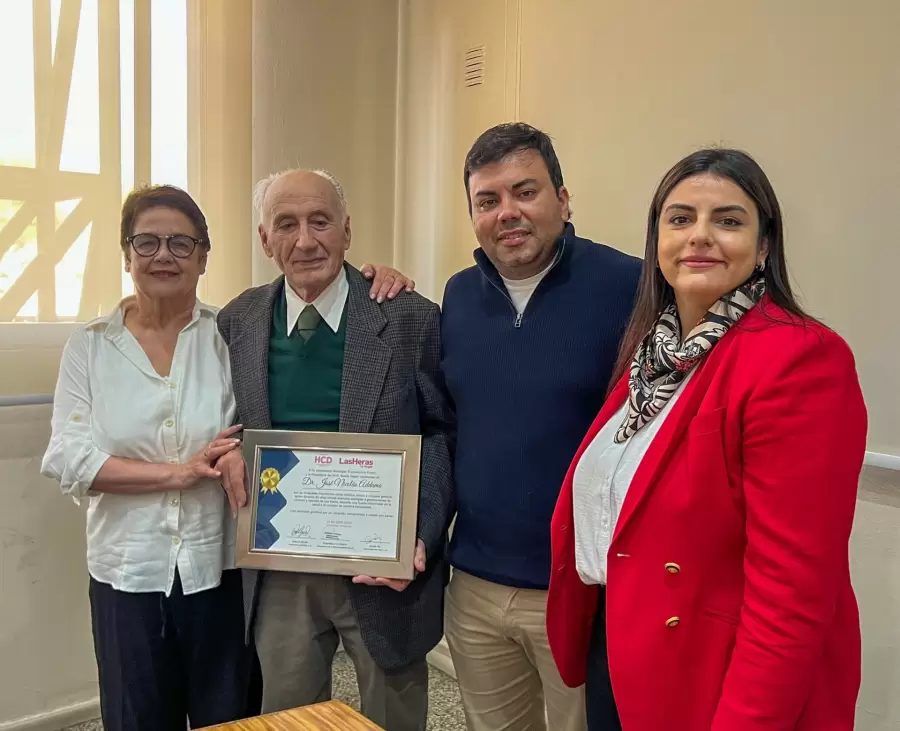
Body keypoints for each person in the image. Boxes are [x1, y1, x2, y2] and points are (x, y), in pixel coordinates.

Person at [39, 184, 413, 731]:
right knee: (136, 717)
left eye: (181, 243)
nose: (164, 255)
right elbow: (68, 458)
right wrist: (178, 473)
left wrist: (375, 279)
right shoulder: (90, 346)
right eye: (146, 242)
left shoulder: (233, 331)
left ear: (203, 257)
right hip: (126, 572)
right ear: (126, 254)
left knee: (232, 718)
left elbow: (265, 424)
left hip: (221, 570)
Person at [546, 148, 867, 731]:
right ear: (658, 242)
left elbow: (791, 597)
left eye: (728, 220)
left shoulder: (799, 358)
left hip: (711, 676)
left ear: (764, 246)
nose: (700, 236)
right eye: (680, 218)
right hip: (622, 649)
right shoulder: (654, 356)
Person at [215, 168, 454, 731]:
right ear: (264, 240)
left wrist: (420, 533)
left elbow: (441, 432)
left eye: (320, 221)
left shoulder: (408, 317)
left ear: (347, 231)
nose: (305, 241)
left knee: (394, 713)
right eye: (286, 225)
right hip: (281, 562)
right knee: (288, 717)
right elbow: (228, 422)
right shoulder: (237, 321)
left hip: (384, 562)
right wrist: (227, 450)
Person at [439, 123, 641, 731]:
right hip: (475, 584)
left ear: (563, 198)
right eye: (487, 200)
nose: (507, 212)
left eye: (525, 192)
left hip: (581, 588)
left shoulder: (629, 286)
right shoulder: (458, 297)